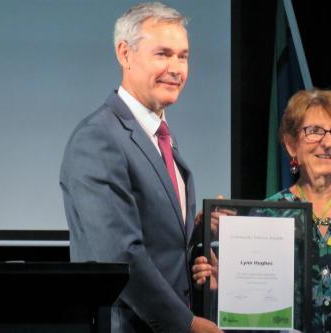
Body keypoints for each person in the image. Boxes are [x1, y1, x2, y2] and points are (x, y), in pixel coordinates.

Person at [60, 2, 221, 333]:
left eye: (183, 56)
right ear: (125, 53)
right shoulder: (99, 138)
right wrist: (186, 324)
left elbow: (159, 241)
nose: (176, 68)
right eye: (163, 54)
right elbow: (120, 255)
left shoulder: (161, 136)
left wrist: (198, 234)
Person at [193, 89, 331, 332]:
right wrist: (228, 286)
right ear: (291, 144)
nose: (327, 142)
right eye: (314, 131)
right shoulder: (267, 215)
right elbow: (251, 311)